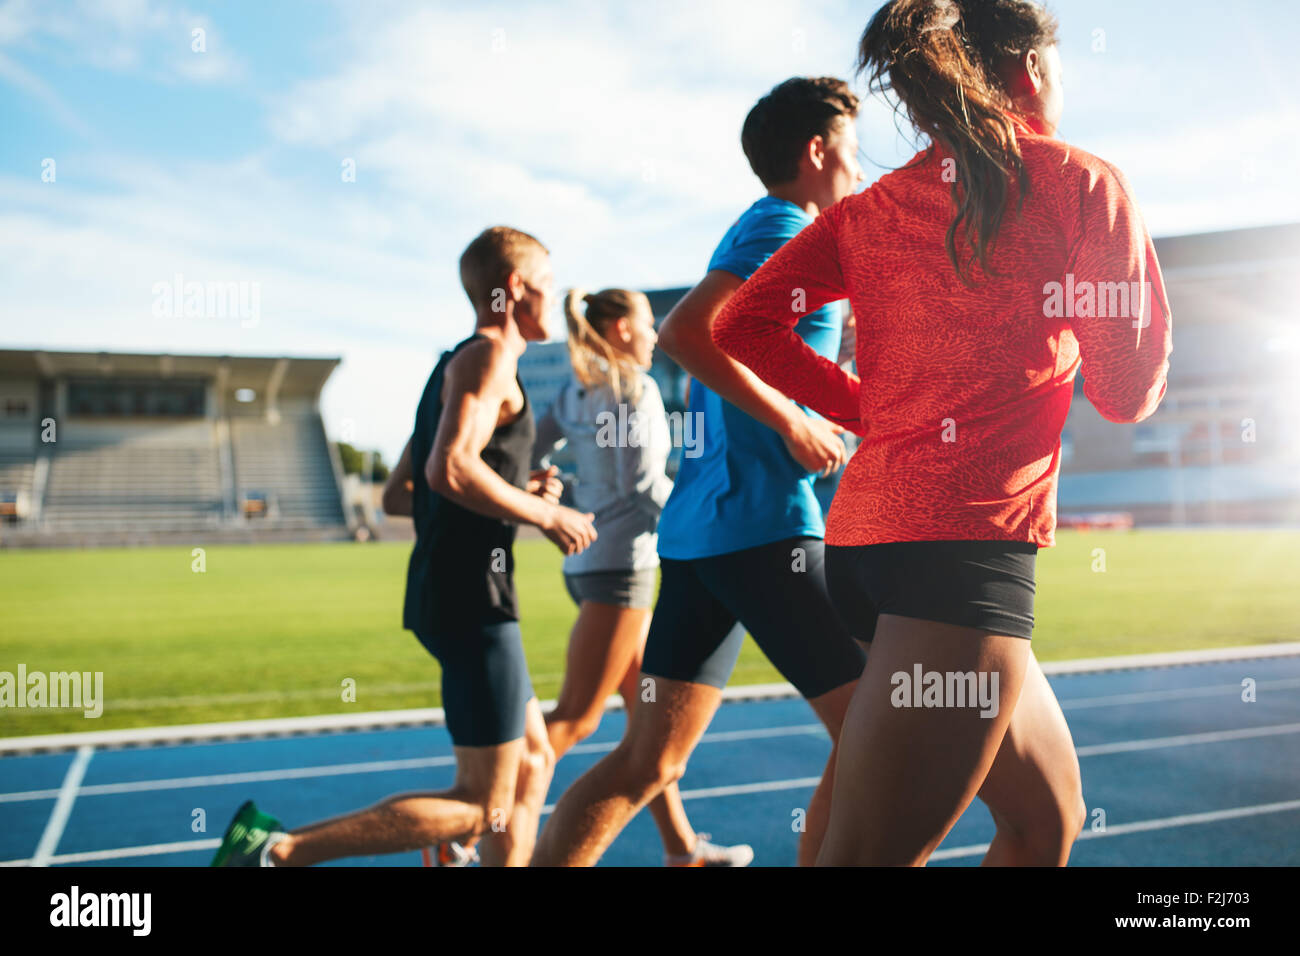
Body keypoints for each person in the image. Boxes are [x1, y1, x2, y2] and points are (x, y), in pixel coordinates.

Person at [712, 0, 1172, 866]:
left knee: (1045, 825)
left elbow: (747, 324)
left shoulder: (869, 208)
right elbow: (1125, 391)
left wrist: (864, 409)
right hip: (957, 564)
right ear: (1032, 72)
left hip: (866, 553)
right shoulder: (1081, 182)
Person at [532, 77, 869, 867]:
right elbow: (687, 333)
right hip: (761, 525)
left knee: (650, 761)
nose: (861, 171)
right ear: (816, 152)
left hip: (702, 536)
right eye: (852, 153)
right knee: (878, 729)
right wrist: (793, 421)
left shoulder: (771, 231)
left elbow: (747, 350)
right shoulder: (783, 223)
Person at [211, 226, 598, 867]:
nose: (554, 301)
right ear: (514, 290)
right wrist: (542, 513)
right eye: (547, 286)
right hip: (471, 597)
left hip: (456, 590)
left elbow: (401, 493)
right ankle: (277, 853)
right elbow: (448, 470)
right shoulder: (488, 359)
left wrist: (511, 483)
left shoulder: (453, 362)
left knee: (533, 759)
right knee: (481, 804)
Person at [531, 287, 754, 866]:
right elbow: (644, 487)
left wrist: (548, 481)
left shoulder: (576, 389)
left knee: (646, 724)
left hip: (584, 564)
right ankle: (479, 827)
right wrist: (705, 513)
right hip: (622, 569)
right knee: (575, 719)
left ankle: (683, 849)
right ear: (621, 328)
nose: (657, 335)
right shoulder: (635, 389)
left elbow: (533, 446)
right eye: (648, 323)